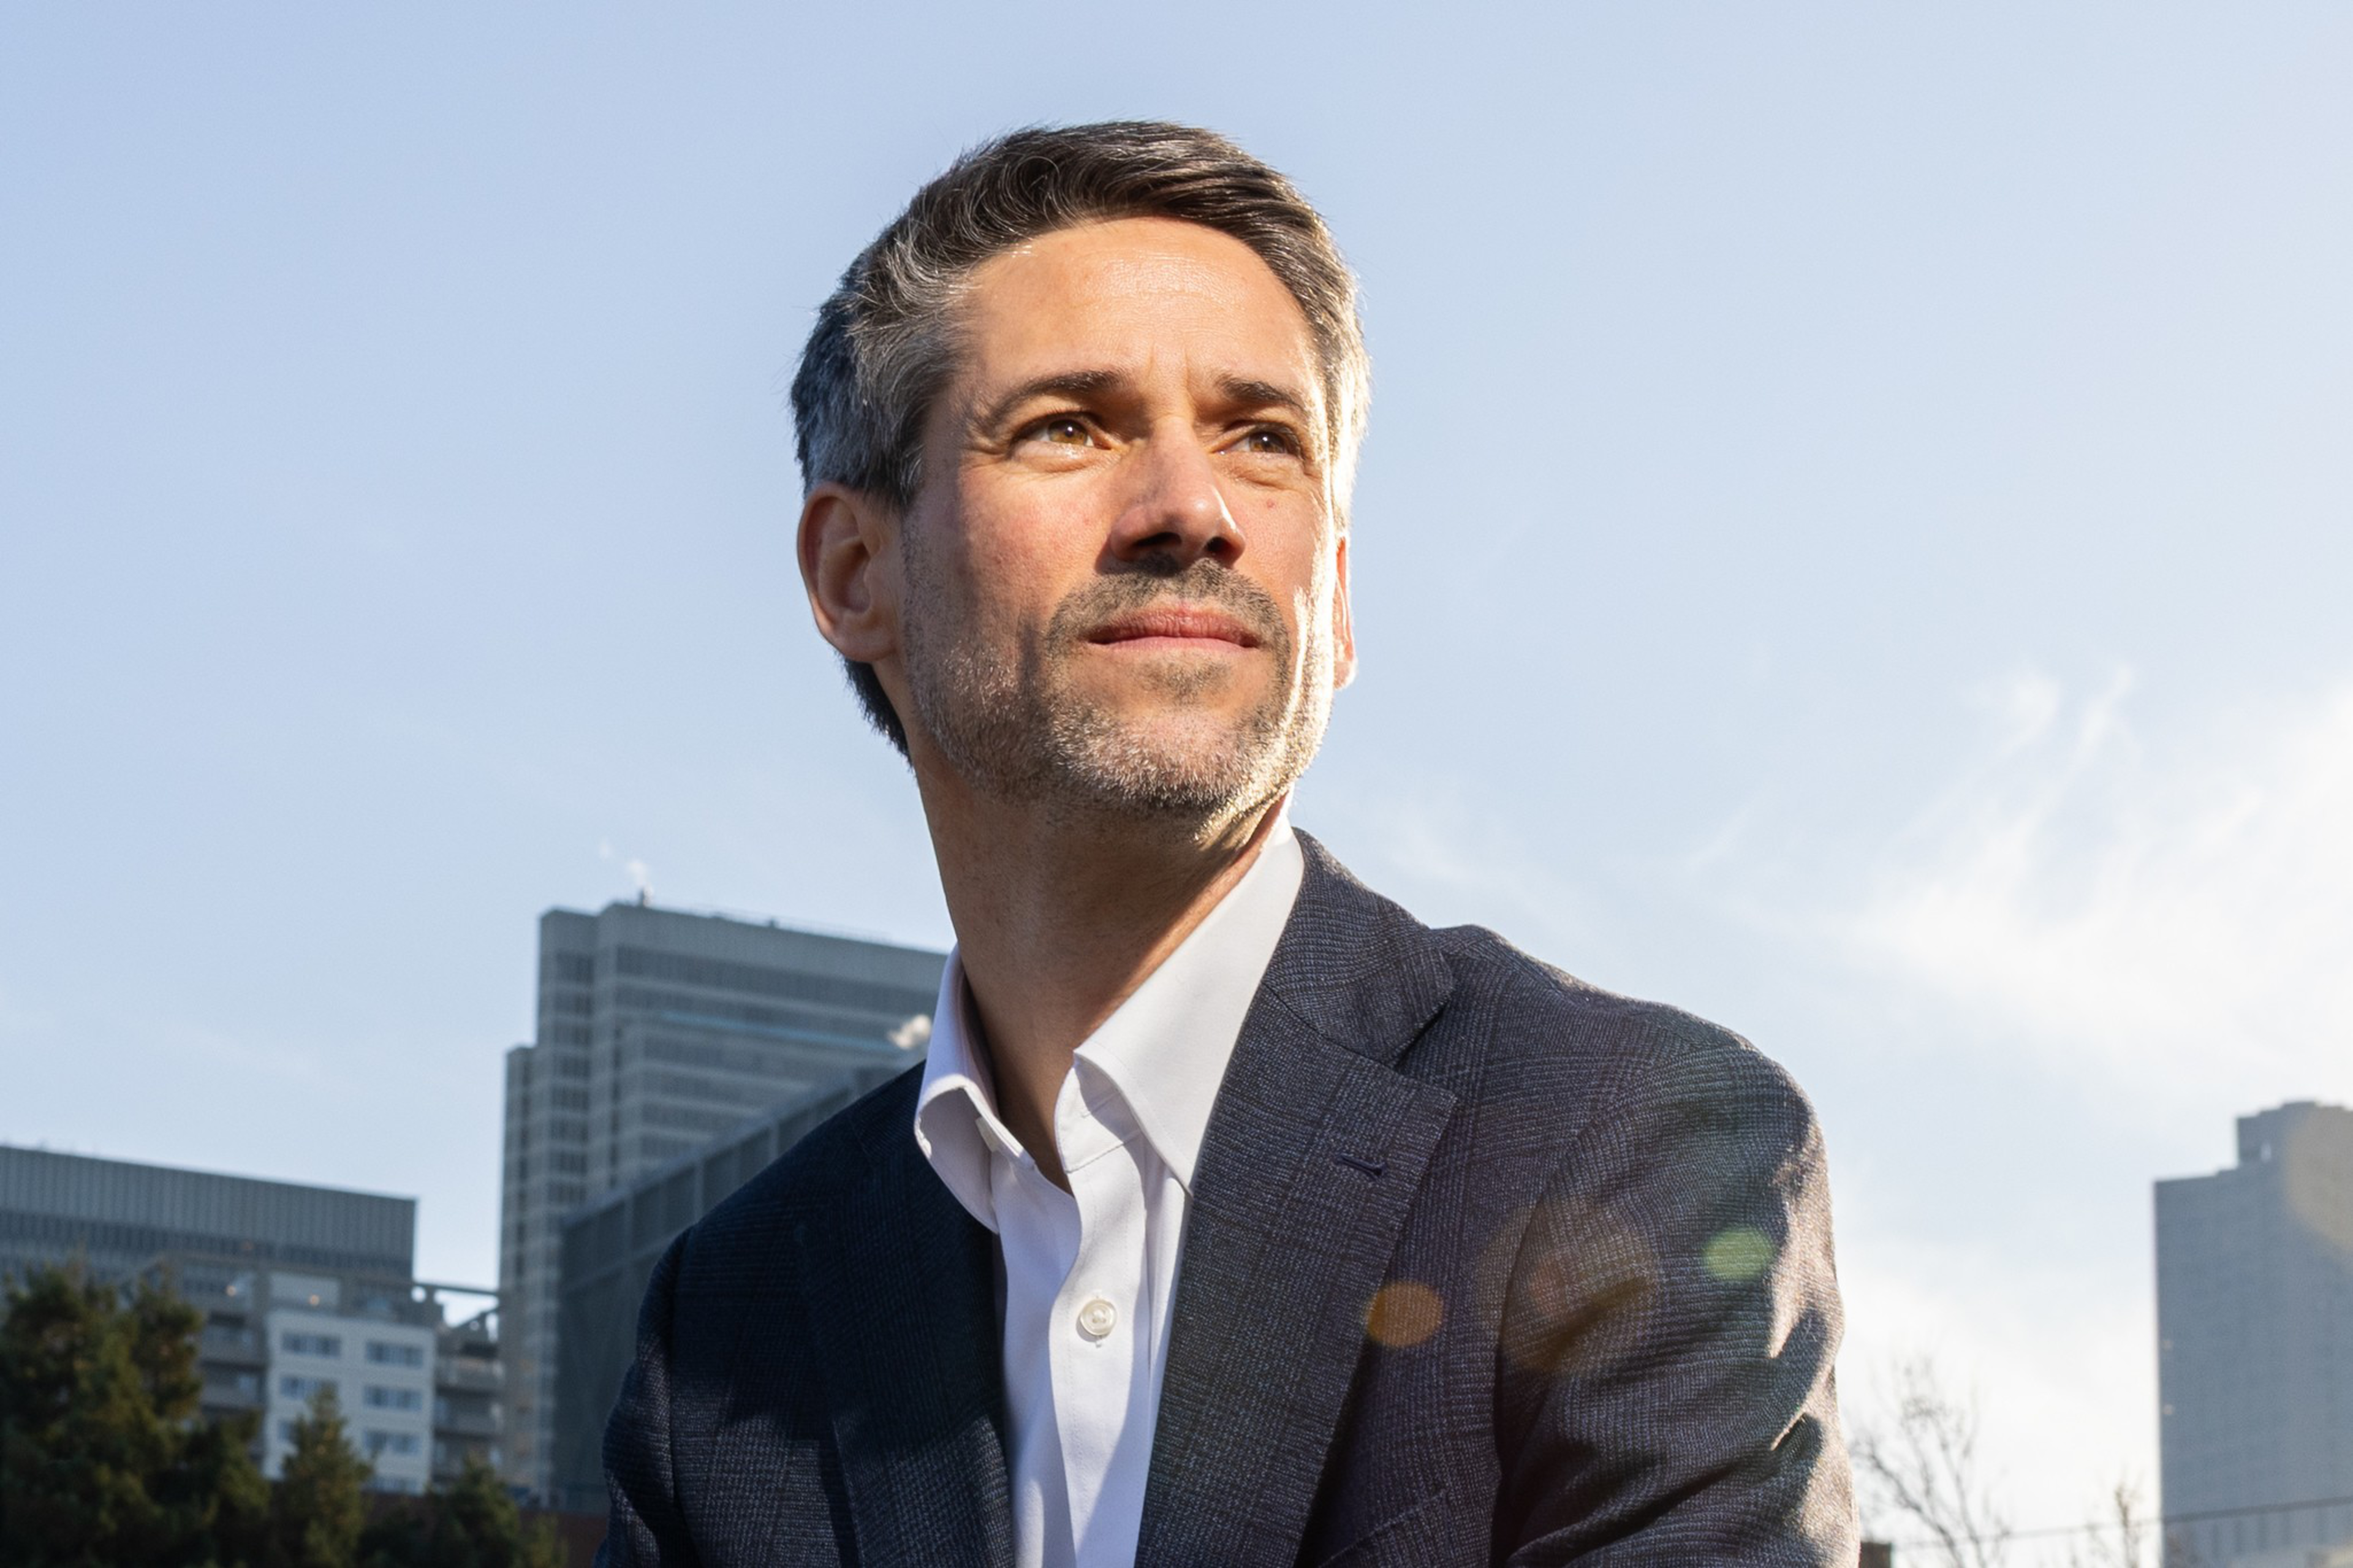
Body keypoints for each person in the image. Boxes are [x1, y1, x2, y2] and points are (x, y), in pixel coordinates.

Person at [598, 121, 1856, 1567]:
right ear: (852, 570)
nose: (1191, 512)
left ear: (1336, 599)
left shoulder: (1631, 1143)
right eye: (1070, 425)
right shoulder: (730, 1323)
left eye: (1265, 439)